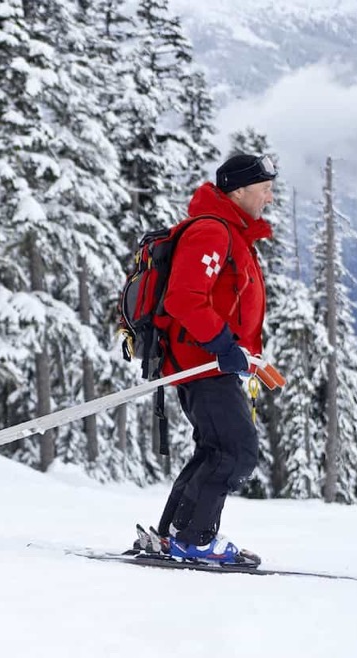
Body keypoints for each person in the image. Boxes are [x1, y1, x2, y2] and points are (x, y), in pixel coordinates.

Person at [153, 152, 276, 563]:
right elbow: (184, 299)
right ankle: (195, 539)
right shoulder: (211, 232)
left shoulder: (231, 233)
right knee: (236, 452)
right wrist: (225, 346)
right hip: (204, 362)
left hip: (211, 361)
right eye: (264, 190)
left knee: (215, 449)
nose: (269, 198)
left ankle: (174, 535)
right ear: (238, 190)